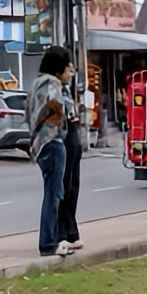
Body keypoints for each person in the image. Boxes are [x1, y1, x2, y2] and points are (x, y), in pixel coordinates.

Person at [27, 46, 74, 257]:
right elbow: (56, 107)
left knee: (51, 193)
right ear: (58, 69)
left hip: (38, 145)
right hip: (52, 142)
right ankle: (48, 243)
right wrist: (62, 124)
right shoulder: (54, 84)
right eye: (68, 67)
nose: (71, 71)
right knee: (54, 195)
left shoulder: (37, 82)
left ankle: (50, 241)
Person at [54, 81, 84, 251]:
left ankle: (72, 231)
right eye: (68, 68)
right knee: (64, 186)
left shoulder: (65, 88)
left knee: (73, 185)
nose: (71, 71)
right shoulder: (51, 86)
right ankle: (61, 233)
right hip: (63, 136)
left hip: (72, 133)